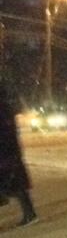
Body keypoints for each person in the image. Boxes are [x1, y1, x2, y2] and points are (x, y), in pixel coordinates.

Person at [0, 83, 38, 227]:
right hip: (9, 152)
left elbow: (6, 133)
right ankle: (30, 214)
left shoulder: (3, 110)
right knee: (15, 185)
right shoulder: (6, 108)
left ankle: (30, 214)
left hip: (6, 153)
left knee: (15, 185)